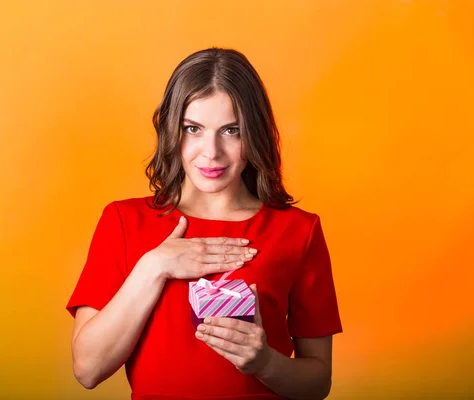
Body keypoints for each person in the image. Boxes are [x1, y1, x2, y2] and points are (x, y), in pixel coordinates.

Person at [66, 47, 343, 400]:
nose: (210, 152)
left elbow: (317, 384)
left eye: (231, 130)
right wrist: (155, 266)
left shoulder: (299, 231)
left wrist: (265, 363)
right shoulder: (123, 221)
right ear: (171, 130)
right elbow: (88, 369)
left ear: (255, 134)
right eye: (193, 129)